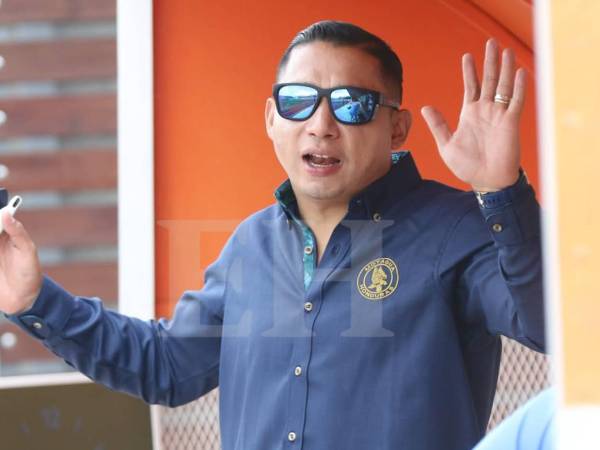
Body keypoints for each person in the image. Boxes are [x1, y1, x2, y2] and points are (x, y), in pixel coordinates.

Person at [0, 21, 544, 450]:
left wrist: (501, 191)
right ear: (270, 118)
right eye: (297, 100)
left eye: (351, 104)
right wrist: (33, 300)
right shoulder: (251, 244)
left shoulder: (455, 228)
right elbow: (164, 366)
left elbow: (553, 326)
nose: (321, 124)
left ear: (396, 128)